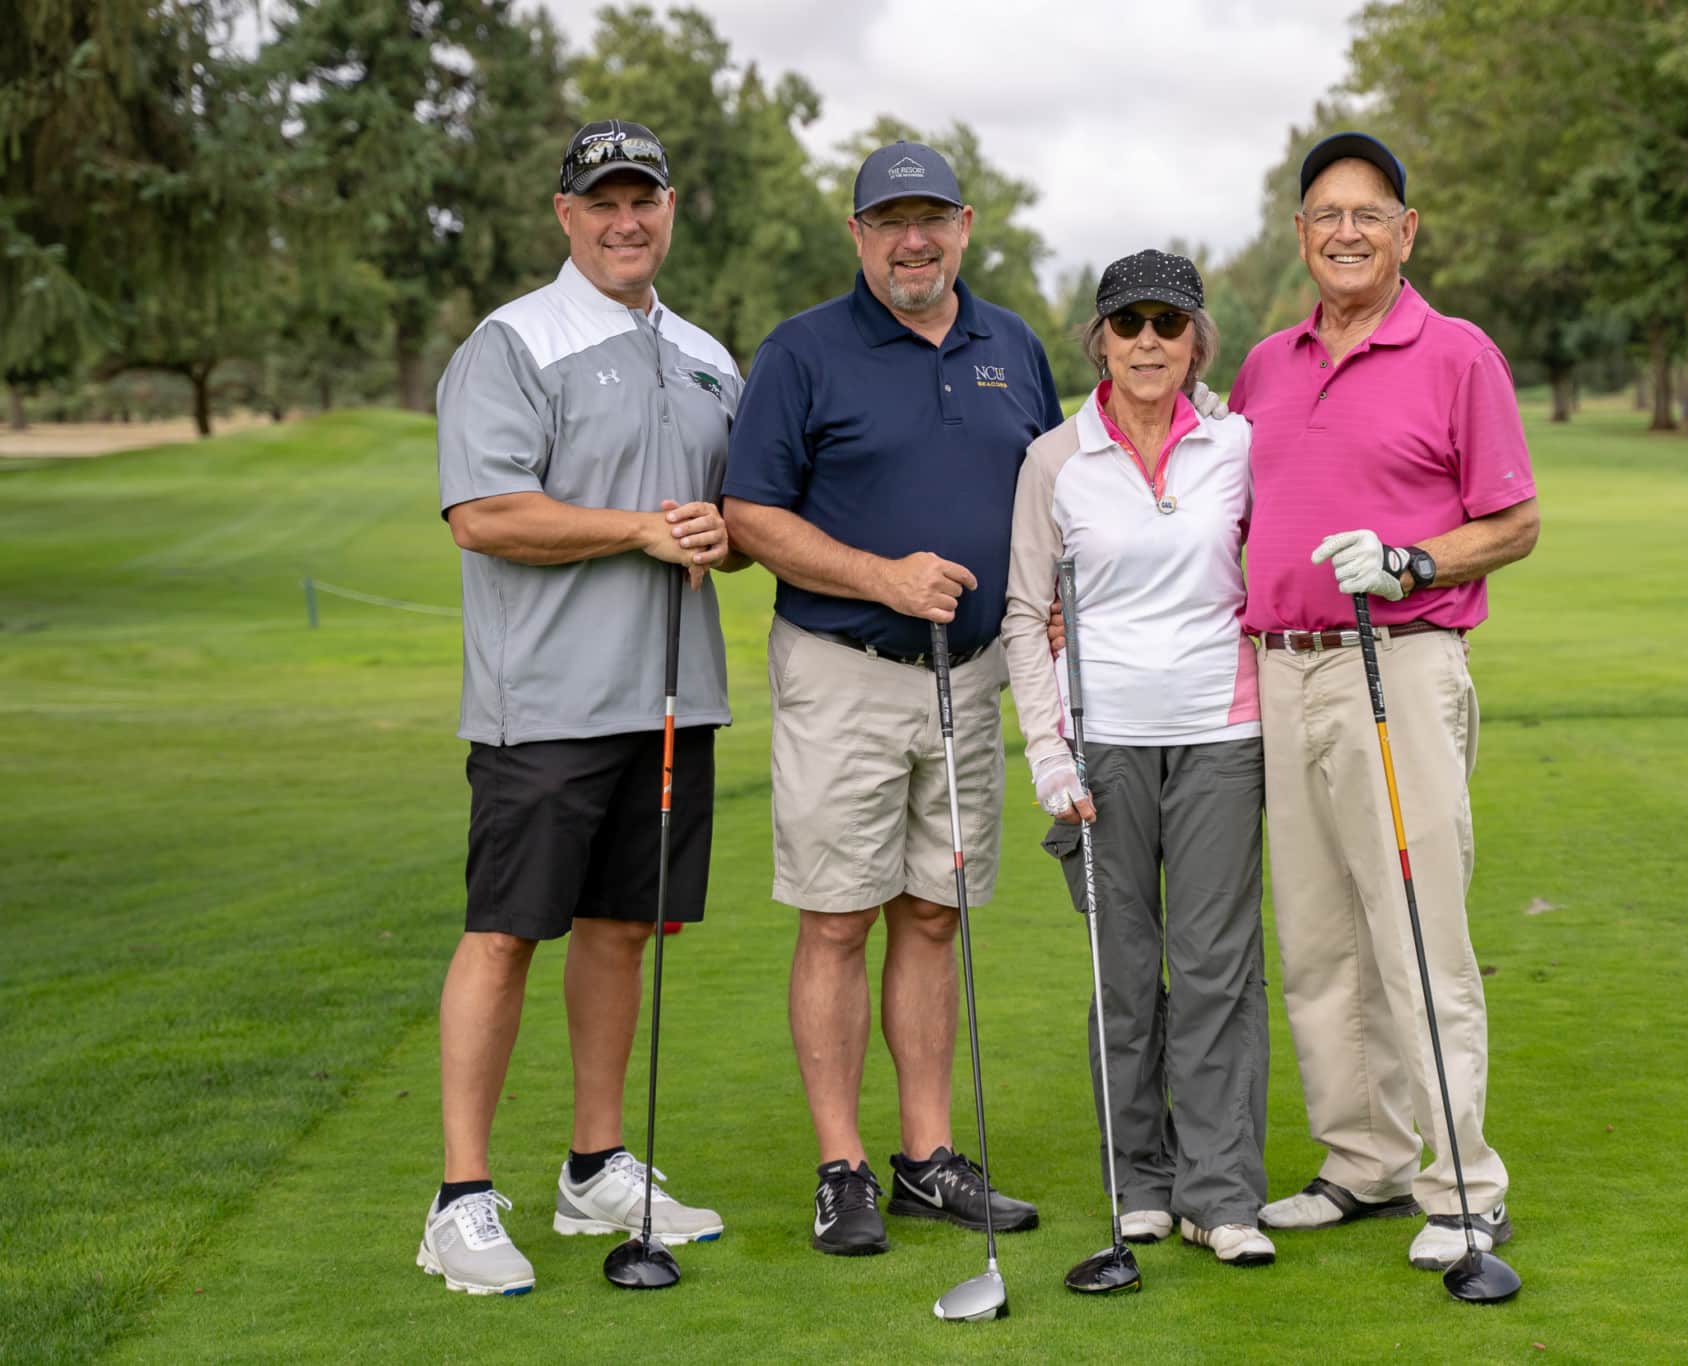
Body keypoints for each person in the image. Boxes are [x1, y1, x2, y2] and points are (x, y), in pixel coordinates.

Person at [422, 119, 746, 1295]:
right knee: (506, 931)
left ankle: (592, 1165)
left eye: (643, 199)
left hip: (670, 698)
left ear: (668, 210)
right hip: (545, 704)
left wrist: (723, 534)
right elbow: (484, 514)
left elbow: (729, 518)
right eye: (601, 200)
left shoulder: (709, 355)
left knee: (621, 929)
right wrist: (639, 529)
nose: (624, 220)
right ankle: (458, 1198)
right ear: (565, 213)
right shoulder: (515, 341)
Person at [723, 141, 1062, 1256]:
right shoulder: (801, 353)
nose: (910, 241)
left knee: (932, 911)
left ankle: (924, 1157)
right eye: (887, 222)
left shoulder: (1009, 344)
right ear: (857, 235)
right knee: (835, 916)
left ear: (964, 223)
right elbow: (749, 517)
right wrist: (881, 575)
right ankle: (842, 1167)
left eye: (929, 219)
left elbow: (1055, 491)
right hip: (845, 671)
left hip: (971, 681)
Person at [1236, 132, 1540, 1271]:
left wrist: (1412, 559)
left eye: (1368, 212)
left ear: (1404, 232)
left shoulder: (1456, 352)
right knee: (1315, 937)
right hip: (1279, 666)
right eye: (1325, 214)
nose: (1347, 231)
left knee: (1416, 929)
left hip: (1397, 662)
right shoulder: (1265, 364)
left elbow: (1511, 521)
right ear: (1301, 234)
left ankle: (1461, 1182)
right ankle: (1360, 1158)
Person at [1002, 250, 1274, 1266]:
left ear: (1198, 338)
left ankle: (1220, 1192)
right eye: (1128, 326)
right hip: (1101, 744)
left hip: (1221, 734)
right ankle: (1140, 1181)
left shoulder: (1240, 445)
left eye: (1168, 324)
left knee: (1214, 970)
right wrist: (1049, 757)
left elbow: (1268, 568)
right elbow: (1025, 616)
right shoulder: (1053, 460)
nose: (1148, 343)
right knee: (1122, 974)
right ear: (1100, 342)